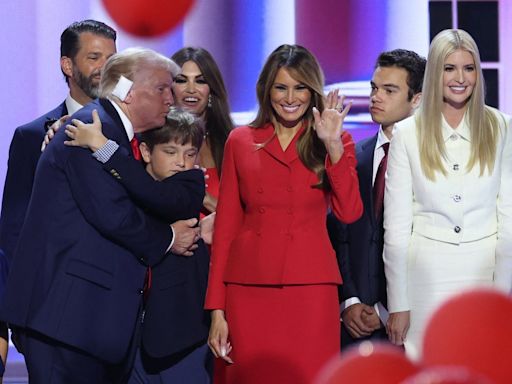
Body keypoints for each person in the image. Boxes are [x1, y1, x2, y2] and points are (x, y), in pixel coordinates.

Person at [0, 48, 199, 383]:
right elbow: (114, 215)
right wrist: (169, 238)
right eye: (162, 88)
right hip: (68, 323)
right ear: (128, 91)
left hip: (88, 325)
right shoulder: (87, 130)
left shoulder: (109, 135)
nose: (172, 98)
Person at [205, 44, 363, 384]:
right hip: (247, 290)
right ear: (266, 90)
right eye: (281, 87)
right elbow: (226, 231)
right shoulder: (241, 140)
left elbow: (349, 212)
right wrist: (217, 311)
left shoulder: (334, 140)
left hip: (310, 290)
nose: (290, 97)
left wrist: (333, 145)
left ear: (312, 91)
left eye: (300, 87)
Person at [384, 29, 512, 360]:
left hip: (484, 276)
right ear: (435, 73)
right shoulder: (407, 134)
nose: (460, 78)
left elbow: (508, 221)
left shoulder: (502, 128)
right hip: (425, 278)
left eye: (468, 68)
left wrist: (502, 296)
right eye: (449, 68)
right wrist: (398, 303)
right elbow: (396, 229)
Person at [64, 107, 212, 382]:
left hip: (180, 337)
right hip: (127, 338)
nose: (181, 162)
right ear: (145, 152)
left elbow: (153, 194)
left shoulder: (190, 185)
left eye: (190, 153)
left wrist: (103, 146)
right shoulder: (126, 187)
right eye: (170, 152)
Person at [327, 49, 426, 350]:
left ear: (416, 99)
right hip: (353, 326)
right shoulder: (354, 157)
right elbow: (341, 234)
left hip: (411, 323)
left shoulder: (430, 162)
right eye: (373, 88)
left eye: (389, 90)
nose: (375, 97)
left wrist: (387, 309)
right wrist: (350, 300)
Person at [0, 19, 117, 265]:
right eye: (94, 57)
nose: (105, 68)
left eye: (111, 58)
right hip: (56, 279)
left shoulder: (134, 132)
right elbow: (14, 227)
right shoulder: (31, 137)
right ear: (68, 65)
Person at [171, 47, 234, 216]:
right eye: (181, 80)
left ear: (211, 90)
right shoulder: (154, 142)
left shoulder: (231, 143)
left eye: (200, 81)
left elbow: (245, 215)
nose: (191, 89)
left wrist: (204, 197)